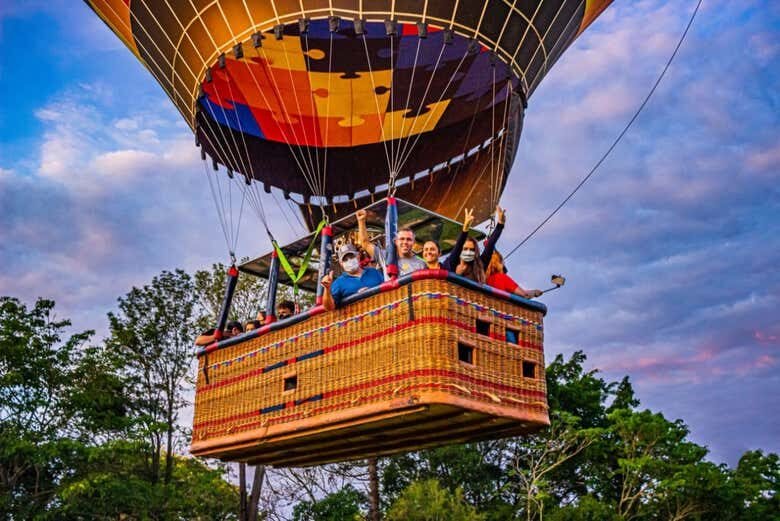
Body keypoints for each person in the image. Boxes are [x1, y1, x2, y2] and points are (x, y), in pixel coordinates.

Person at [443, 206, 505, 283]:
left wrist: (500, 225)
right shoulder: (452, 263)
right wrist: (465, 230)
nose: (468, 252)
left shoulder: (479, 266)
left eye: (472, 249)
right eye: (465, 249)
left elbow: (490, 246)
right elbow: (458, 246)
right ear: (460, 250)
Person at [356, 209, 426, 277]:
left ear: (413, 242)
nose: (405, 242)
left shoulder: (421, 263)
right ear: (396, 241)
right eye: (402, 239)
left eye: (409, 239)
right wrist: (361, 221)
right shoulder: (386, 256)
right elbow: (365, 243)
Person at [321, 243, 383, 311]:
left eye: (351, 257)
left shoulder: (373, 272)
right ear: (341, 263)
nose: (349, 261)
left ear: (358, 256)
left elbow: (386, 289)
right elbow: (329, 308)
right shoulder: (338, 283)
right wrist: (327, 289)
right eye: (345, 260)